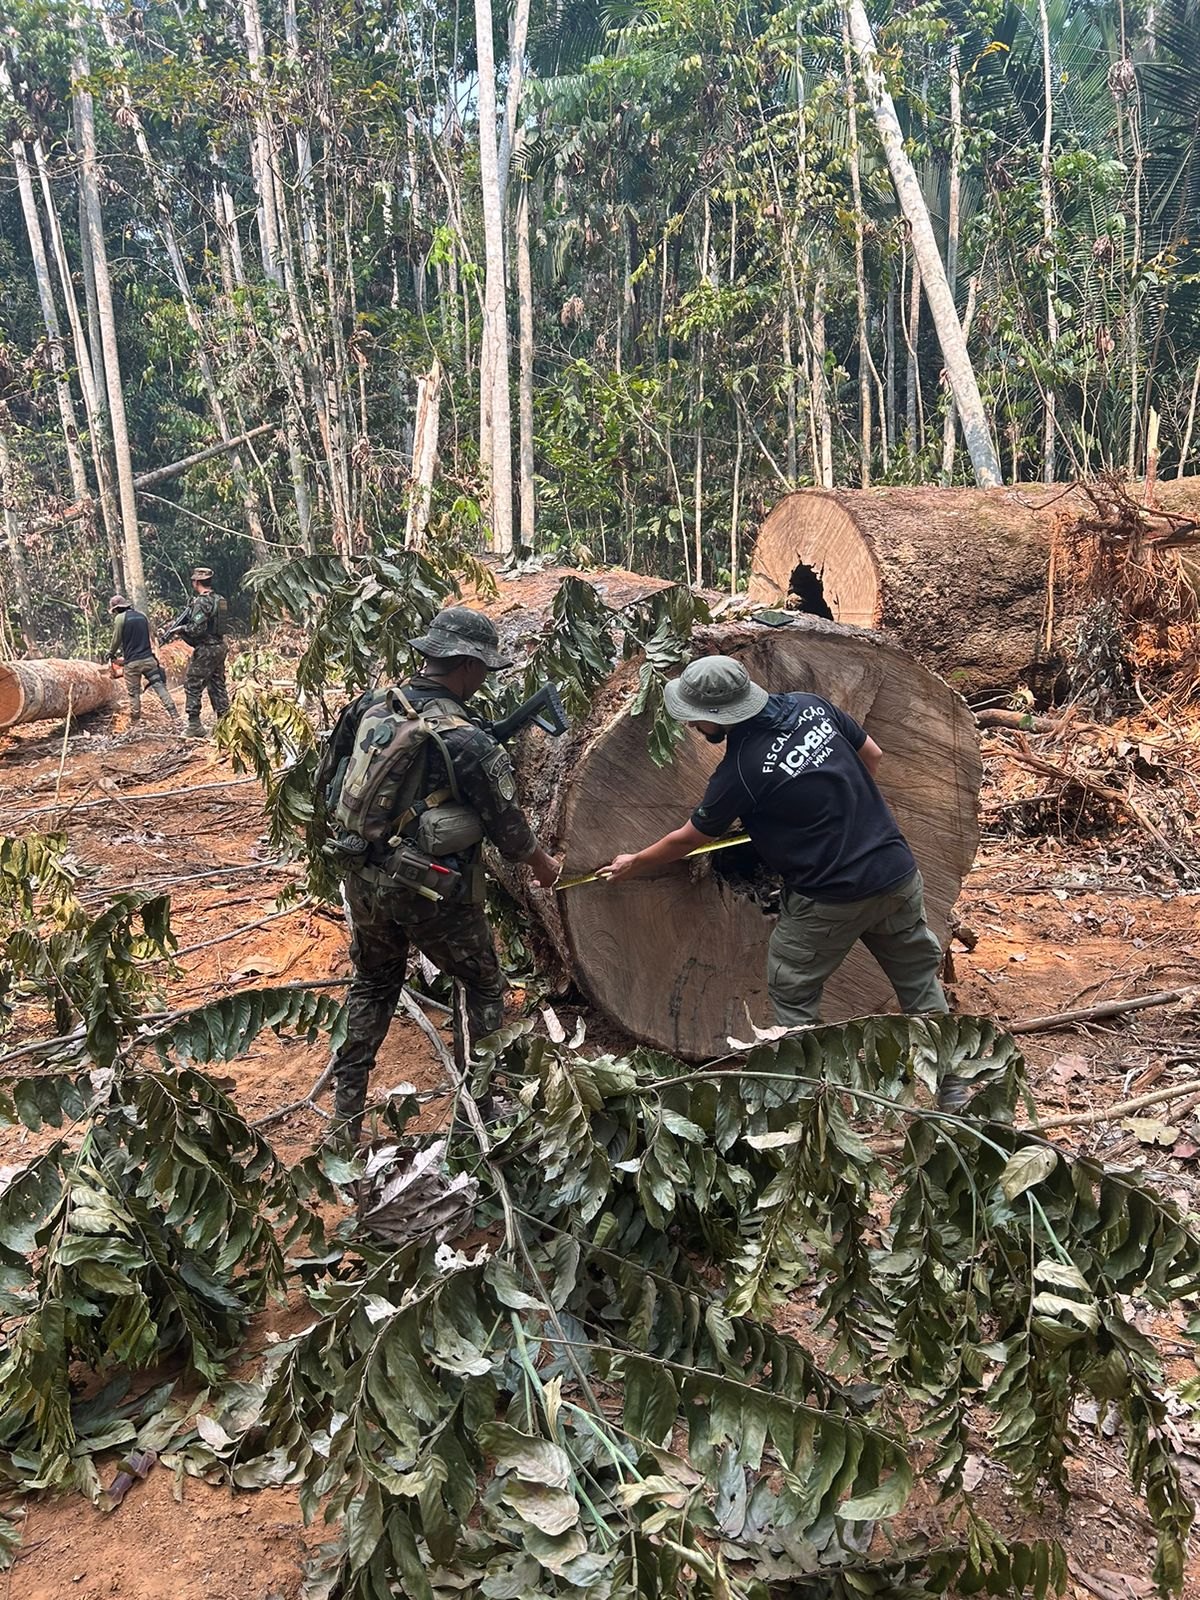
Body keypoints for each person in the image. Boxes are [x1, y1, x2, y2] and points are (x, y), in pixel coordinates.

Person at [317, 606, 561, 1148]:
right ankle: (481, 1110)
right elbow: (510, 831)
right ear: (468, 667)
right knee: (480, 984)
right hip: (433, 891)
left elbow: (327, 778)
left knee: (374, 983)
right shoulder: (468, 741)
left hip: (362, 878)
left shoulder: (370, 704)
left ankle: (344, 1117)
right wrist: (547, 870)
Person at [602, 655, 948, 1030]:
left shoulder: (739, 773)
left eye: (693, 716)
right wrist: (844, 810)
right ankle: (953, 1084)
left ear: (721, 715)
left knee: (792, 992)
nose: (689, 723)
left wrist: (635, 861)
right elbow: (872, 754)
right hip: (897, 872)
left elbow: (689, 838)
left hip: (830, 897)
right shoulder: (811, 706)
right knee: (918, 982)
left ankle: (807, 1087)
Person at [165, 566, 229, 738]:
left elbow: (196, 630)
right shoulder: (219, 599)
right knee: (217, 685)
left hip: (207, 648)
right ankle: (226, 724)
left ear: (197, 582)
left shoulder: (202, 602)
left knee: (193, 684)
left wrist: (181, 629)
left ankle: (194, 725)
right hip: (219, 647)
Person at [106, 594, 181, 728]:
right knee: (159, 686)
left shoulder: (120, 618)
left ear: (116, 609)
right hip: (148, 660)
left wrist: (111, 653)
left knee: (134, 693)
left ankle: (135, 722)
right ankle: (175, 715)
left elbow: (116, 639)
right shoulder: (142, 617)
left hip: (132, 664)